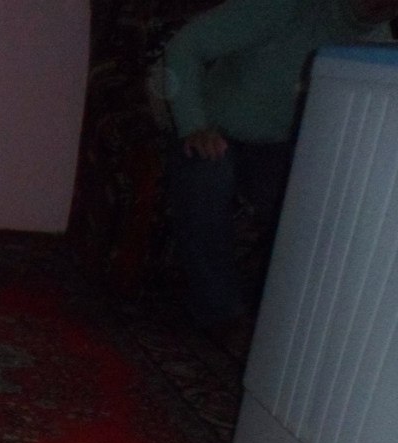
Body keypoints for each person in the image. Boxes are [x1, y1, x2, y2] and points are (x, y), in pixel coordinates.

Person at [162, 0, 397, 344]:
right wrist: (193, 125)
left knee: (324, 198)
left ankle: (290, 314)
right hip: (215, 127)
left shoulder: (379, 45)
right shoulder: (284, 7)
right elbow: (185, 46)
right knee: (208, 175)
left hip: (278, 146)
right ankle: (219, 311)